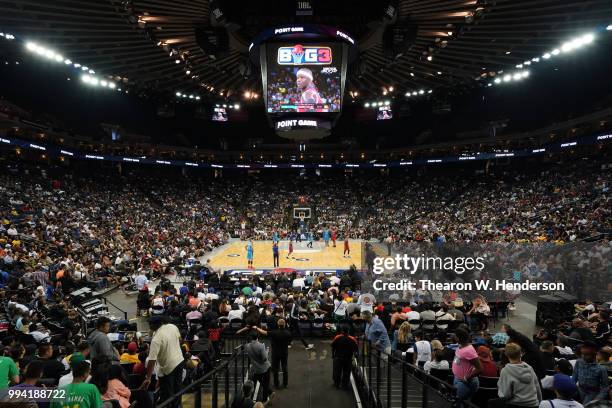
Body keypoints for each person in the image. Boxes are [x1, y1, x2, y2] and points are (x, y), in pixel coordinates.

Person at [142, 316, 185, 408]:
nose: (149, 326)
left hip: (168, 367)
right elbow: (180, 340)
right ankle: (177, 405)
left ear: (156, 324)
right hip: (180, 360)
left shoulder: (156, 339)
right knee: (178, 388)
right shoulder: (172, 327)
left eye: (150, 324)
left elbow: (152, 360)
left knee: (168, 394)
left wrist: (148, 377)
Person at [495, 342, 542, 408]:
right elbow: (537, 387)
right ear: (520, 353)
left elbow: (506, 395)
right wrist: (539, 402)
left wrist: (499, 386)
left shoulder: (505, 371)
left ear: (506, 354)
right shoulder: (529, 368)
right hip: (534, 404)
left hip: (516, 404)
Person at [249, 319, 292, 389]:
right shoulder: (288, 333)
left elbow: (264, 332)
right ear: (284, 324)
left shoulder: (274, 332)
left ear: (278, 324)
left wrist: (256, 328)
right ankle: (285, 384)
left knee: (275, 369)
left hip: (276, 353)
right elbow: (290, 343)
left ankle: (276, 384)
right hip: (284, 352)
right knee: (285, 368)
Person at [452, 328, 481, 405]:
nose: (453, 337)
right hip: (458, 378)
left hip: (465, 382)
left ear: (458, 338)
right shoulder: (460, 345)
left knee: (461, 403)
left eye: (455, 336)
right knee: (459, 401)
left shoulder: (469, 351)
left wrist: (466, 378)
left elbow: (480, 369)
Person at [245, 331, 273, 404]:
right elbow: (264, 359)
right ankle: (265, 399)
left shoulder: (247, 346)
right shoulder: (261, 345)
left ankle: (270, 392)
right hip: (265, 367)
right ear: (258, 337)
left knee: (259, 380)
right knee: (266, 383)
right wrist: (266, 351)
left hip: (255, 368)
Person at [331, 325, 358, 389]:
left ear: (342, 331)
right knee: (346, 372)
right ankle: (345, 385)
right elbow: (356, 350)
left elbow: (333, 347)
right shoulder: (352, 339)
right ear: (348, 331)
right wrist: (355, 357)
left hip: (338, 357)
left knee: (337, 371)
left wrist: (333, 355)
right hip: (348, 358)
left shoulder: (337, 337)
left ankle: (337, 384)